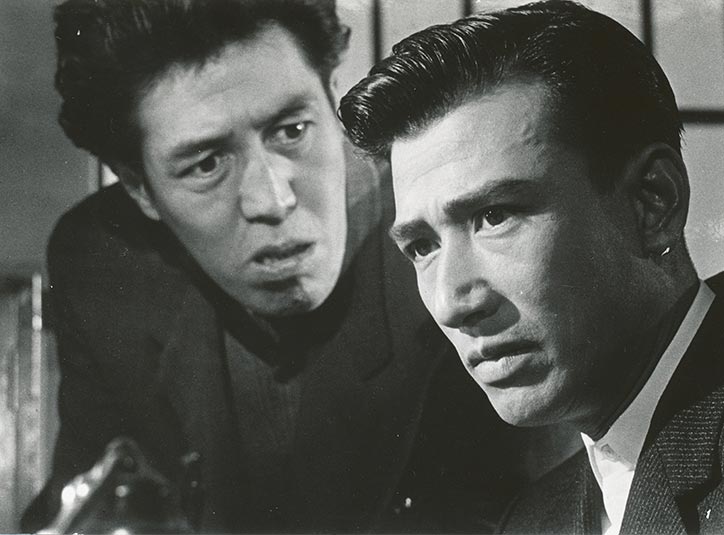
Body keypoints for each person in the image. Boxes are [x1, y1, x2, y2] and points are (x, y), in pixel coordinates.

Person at [20, 0, 560, 533]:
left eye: (292, 130)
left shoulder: (462, 236)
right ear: (138, 187)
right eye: (207, 164)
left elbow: (558, 512)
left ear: (332, 99)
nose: (273, 199)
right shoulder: (105, 264)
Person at [339, 1, 724, 533]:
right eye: (422, 247)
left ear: (652, 203)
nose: (452, 302)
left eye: (494, 216)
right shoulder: (532, 521)